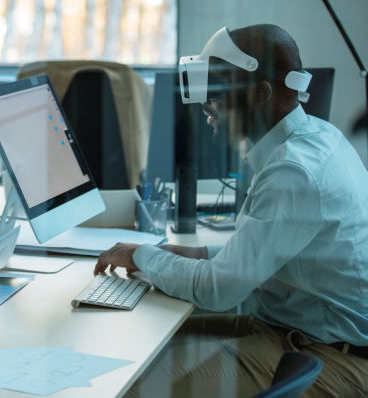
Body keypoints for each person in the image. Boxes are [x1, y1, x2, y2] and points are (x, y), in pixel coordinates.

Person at [95, 25, 368, 397]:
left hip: (328, 355)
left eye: (218, 88)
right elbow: (271, 251)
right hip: (289, 333)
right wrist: (200, 253)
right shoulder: (313, 138)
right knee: (137, 348)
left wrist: (141, 256)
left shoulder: (294, 172)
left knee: (133, 385)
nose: (207, 101)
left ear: (260, 94)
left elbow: (219, 290)